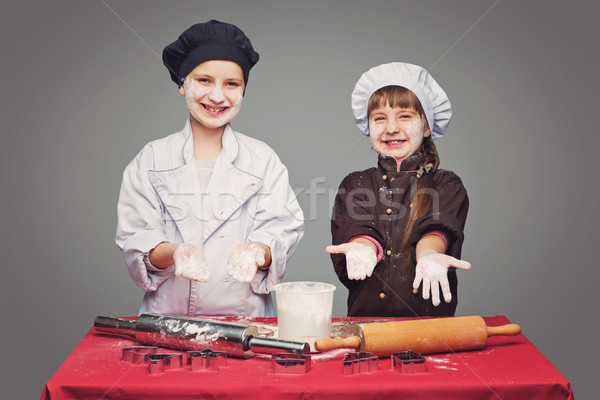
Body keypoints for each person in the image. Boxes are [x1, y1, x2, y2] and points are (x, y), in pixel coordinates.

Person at [116, 20, 304, 317]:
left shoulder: (263, 159)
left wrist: (258, 251)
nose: (217, 96)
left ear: (243, 89)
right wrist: (175, 253)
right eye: (204, 80)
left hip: (247, 324)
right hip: (167, 322)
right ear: (182, 85)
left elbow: (281, 231)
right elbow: (137, 239)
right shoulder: (151, 159)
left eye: (232, 84)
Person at [326, 62, 470, 317]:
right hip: (366, 329)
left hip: (432, 332)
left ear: (426, 127)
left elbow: (437, 229)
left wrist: (429, 256)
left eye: (405, 116)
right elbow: (357, 229)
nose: (391, 128)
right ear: (368, 125)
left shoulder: (447, 184)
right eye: (379, 118)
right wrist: (363, 247)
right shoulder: (355, 184)